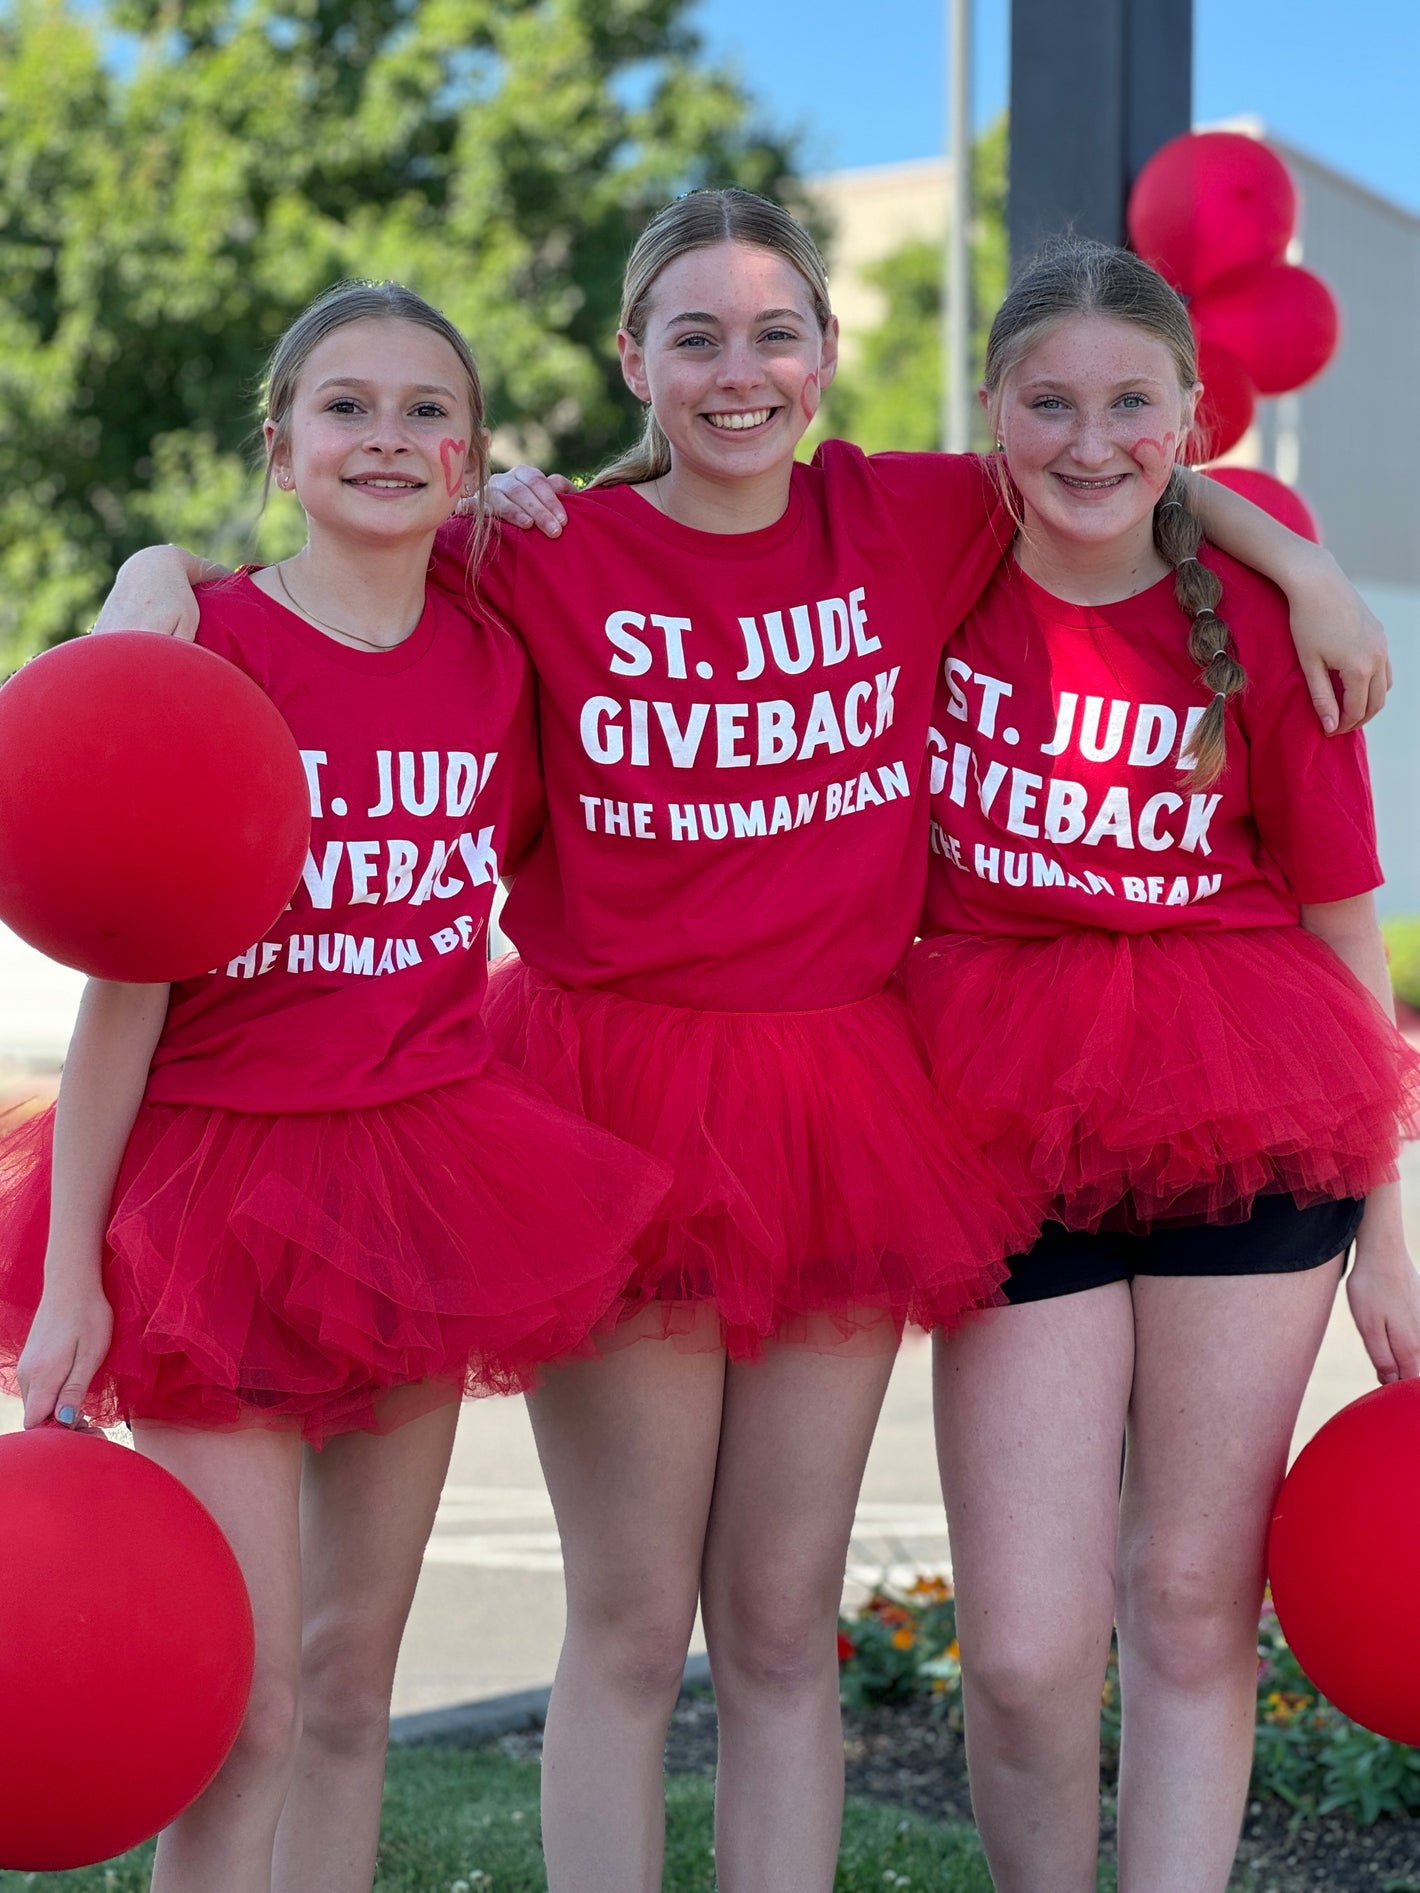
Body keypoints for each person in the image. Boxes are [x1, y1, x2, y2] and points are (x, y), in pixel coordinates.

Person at [92, 192, 1393, 1893]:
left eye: (775, 332)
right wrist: (145, 580)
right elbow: (316, 557)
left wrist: (1296, 558)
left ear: (827, 358)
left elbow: (1115, 447)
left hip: (836, 1110)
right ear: (632, 358)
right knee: (631, 1627)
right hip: (605, 1113)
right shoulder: (532, 544)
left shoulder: (913, 513)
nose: (737, 371)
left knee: (779, 1630)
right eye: (693, 335)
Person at [0, 281, 666, 1893]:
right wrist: (71, 1267)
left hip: (423, 1185)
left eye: (427, 409)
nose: (388, 435)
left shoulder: (502, 655)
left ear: (475, 456)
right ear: (279, 448)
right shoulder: (202, 642)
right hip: (209, 1200)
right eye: (346, 407)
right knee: (248, 1700)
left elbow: (653, 532)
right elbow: (125, 992)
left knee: (355, 1681)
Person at [899, 239, 1420, 1893]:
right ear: (991, 413)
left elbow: (1348, 935)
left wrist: (1390, 1230)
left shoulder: (1269, 625)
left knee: (1195, 1601)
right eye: (1048, 401)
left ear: (1192, 418)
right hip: (996, 1118)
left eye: (1132, 402)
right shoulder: (932, 571)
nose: (1089, 438)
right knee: (1029, 1648)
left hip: (1252, 1119)